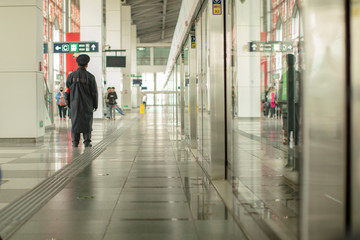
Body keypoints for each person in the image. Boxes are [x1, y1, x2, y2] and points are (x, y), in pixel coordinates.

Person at [65, 54, 98, 147]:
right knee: (87, 122)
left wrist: (68, 103)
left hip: (74, 104)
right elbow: (94, 92)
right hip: (87, 104)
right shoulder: (90, 77)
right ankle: (87, 141)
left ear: (77, 64)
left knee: (75, 122)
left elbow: (67, 91)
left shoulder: (71, 76)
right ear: (87, 64)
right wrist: (95, 105)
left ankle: (75, 142)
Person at [278, 54, 301, 145]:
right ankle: (296, 139)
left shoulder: (285, 75)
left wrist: (280, 102)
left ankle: (287, 138)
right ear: (295, 62)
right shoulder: (298, 75)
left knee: (286, 120)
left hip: (286, 103)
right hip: (297, 102)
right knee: (297, 120)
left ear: (287, 63)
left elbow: (281, 91)